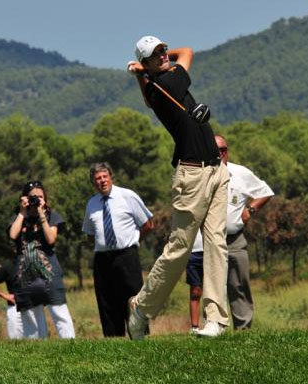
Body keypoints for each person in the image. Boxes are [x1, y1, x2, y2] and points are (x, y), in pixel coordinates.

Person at [126, 35, 229, 339]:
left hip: (216, 169)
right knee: (180, 249)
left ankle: (215, 321)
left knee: (216, 243)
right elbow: (188, 52)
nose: (163, 56)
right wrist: (145, 72)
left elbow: (180, 54)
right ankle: (141, 308)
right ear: (149, 64)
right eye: (156, 55)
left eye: (162, 50)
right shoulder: (168, 83)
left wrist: (143, 71)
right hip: (193, 175)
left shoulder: (156, 84)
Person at [186, 135, 274, 330]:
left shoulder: (240, 173)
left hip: (234, 240)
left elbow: (265, 191)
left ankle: (243, 329)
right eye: (212, 150)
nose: (216, 154)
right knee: (212, 286)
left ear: (226, 152)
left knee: (239, 286)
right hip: (209, 240)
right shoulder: (201, 175)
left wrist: (250, 210)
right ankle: (215, 326)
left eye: (220, 150)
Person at [82, 162, 154, 337]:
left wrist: (133, 240)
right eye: (97, 179)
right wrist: (102, 244)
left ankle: (139, 336)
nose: (102, 181)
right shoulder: (92, 204)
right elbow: (89, 233)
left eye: (105, 177)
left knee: (133, 298)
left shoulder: (127, 196)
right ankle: (113, 338)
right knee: (106, 300)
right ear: (93, 183)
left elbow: (148, 224)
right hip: (103, 259)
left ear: (111, 177)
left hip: (126, 256)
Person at [8, 180, 76, 339]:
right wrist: (22, 212)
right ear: (24, 198)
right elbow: (13, 235)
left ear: (45, 198)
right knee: (32, 316)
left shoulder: (52, 216)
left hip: (49, 272)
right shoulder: (18, 216)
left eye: (40, 196)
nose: (36, 200)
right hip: (25, 274)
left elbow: (51, 239)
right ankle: (38, 348)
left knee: (59, 312)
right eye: (33, 197)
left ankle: (71, 346)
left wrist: (41, 214)